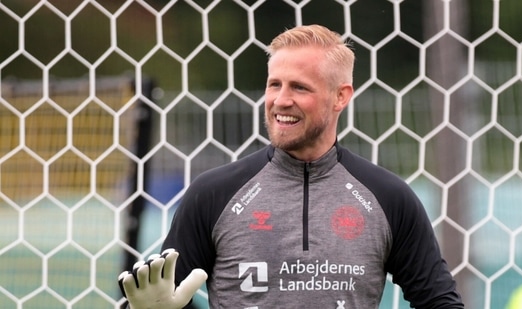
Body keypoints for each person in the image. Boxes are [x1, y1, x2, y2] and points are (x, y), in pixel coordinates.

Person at [119, 24, 464, 309]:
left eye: (299, 87)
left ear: (341, 96)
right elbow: (169, 296)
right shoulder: (213, 194)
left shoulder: (389, 198)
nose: (281, 100)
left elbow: (440, 303)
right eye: (274, 84)